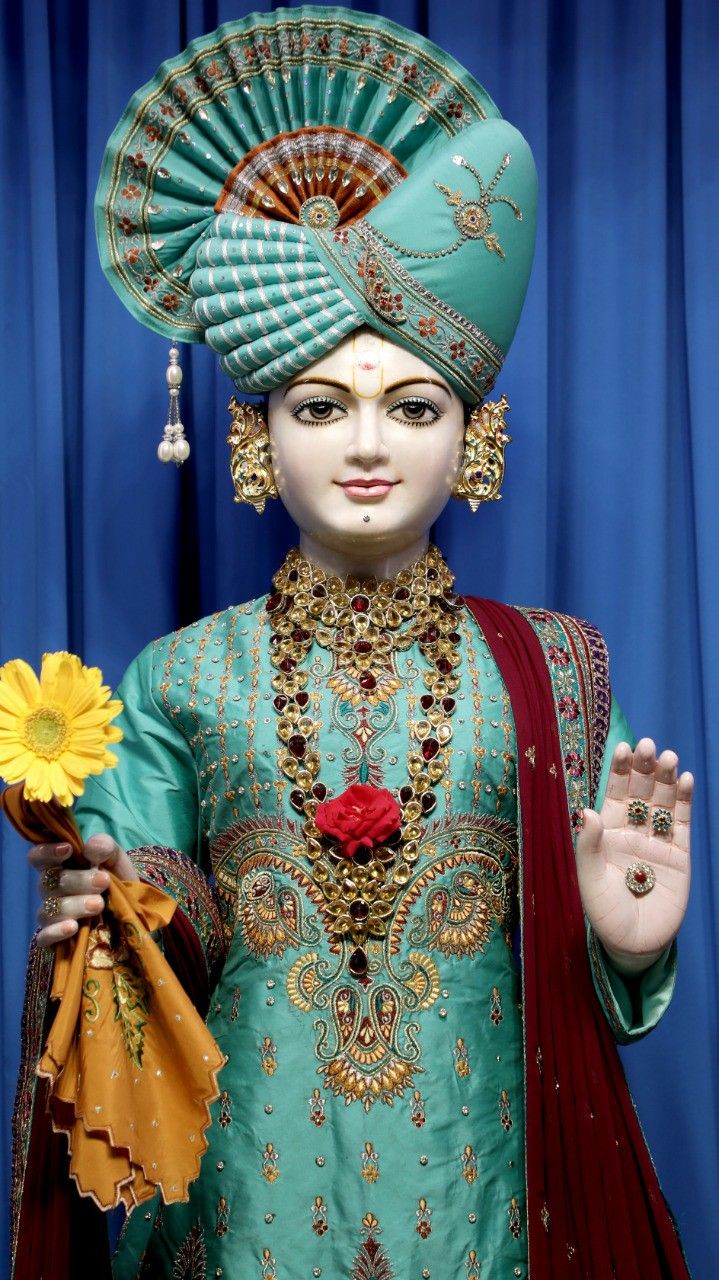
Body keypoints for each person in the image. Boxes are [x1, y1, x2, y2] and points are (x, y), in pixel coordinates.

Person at [13, 9, 692, 1278]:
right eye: (321, 406)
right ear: (256, 436)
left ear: (472, 437)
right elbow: (154, 967)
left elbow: (582, 1004)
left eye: (413, 406)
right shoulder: (180, 677)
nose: (368, 445)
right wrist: (110, 915)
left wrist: (619, 947)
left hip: (485, 1208)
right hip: (244, 1212)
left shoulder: (552, 670)